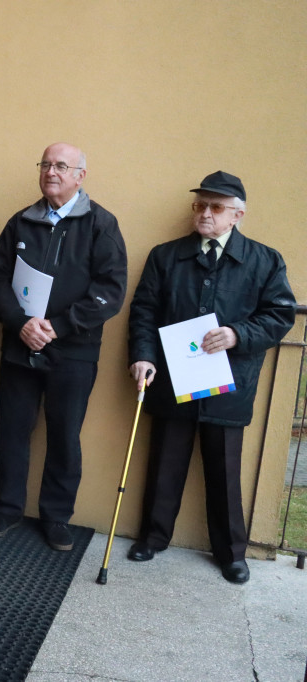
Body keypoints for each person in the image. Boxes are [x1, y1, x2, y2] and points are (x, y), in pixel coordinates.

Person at [126, 171, 295, 583]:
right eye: (200, 205)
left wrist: (238, 334)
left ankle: (232, 554)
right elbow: (144, 312)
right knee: (165, 462)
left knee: (223, 470)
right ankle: (153, 537)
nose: (205, 213)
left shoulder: (264, 259)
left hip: (229, 383)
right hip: (172, 379)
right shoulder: (165, 256)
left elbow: (280, 315)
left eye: (215, 207)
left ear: (236, 215)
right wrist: (143, 358)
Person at [0, 143, 128, 551]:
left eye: (61, 166)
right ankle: (7, 508)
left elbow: (111, 291)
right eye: (45, 164)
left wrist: (58, 327)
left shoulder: (102, 224)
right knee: (10, 432)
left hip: (74, 352)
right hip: (19, 346)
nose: (51, 172)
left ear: (81, 175)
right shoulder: (21, 222)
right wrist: (20, 323)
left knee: (65, 436)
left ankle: (57, 517)